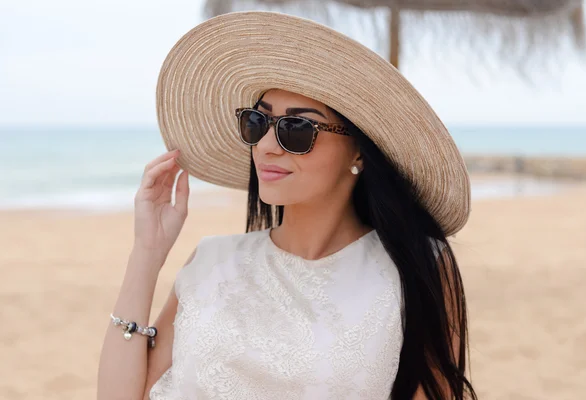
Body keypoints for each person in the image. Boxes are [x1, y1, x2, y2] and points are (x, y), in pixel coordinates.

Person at [97, 11, 477, 400]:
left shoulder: (413, 268)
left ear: (359, 151)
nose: (265, 146)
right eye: (257, 123)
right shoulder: (212, 263)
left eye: (297, 129)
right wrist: (147, 251)